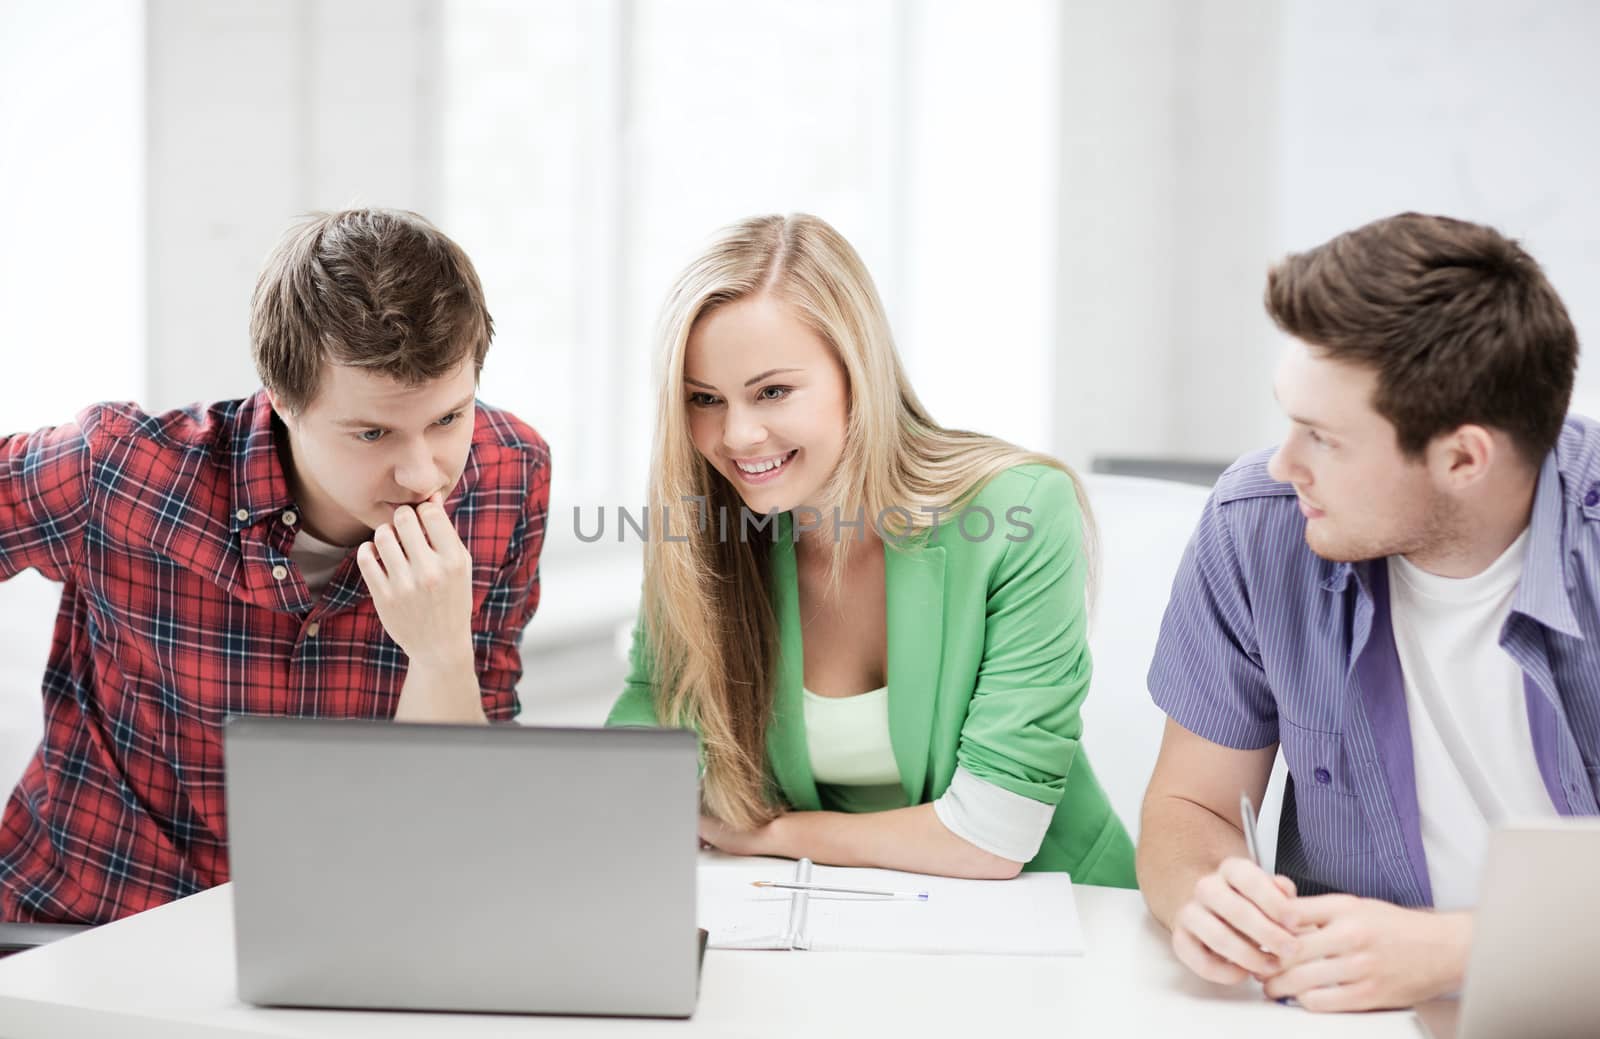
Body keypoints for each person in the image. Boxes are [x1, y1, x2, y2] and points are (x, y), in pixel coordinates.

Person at [0, 209, 550, 925]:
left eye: (448, 418)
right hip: (82, 924)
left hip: (332, 943)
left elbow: (454, 823)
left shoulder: (509, 478)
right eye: (373, 431)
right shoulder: (121, 471)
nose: (422, 472)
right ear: (283, 400)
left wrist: (440, 654)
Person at [1138, 212, 1598, 1011]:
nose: (1285, 464)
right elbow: (1190, 806)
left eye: (1323, 437)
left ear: (1462, 457)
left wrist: (1459, 949)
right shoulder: (1259, 525)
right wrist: (1209, 893)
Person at [607, 213, 1133, 885]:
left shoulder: (1020, 512)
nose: (736, 435)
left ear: (858, 374)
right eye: (705, 399)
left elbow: (992, 835)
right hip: (830, 921)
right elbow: (640, 758)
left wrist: (772, 834)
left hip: (1061, 917)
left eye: (773, 390)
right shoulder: (704, 528)